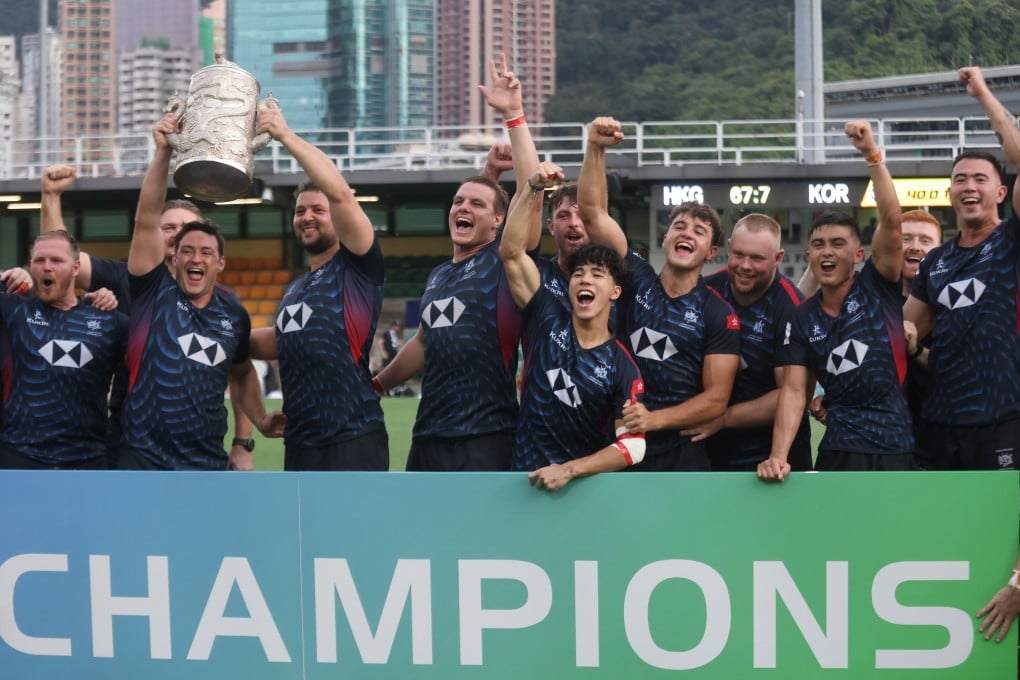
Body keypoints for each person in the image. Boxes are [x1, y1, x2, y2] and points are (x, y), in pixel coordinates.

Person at [374, 54, 541, 470]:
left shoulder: (506, 260)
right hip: (429, 435)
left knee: (482, 538)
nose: (461, 208)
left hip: (487, 436)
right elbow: (425, 342)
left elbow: (532, 194)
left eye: (476, 205)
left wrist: (514, 117)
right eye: (457, 201)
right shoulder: (438, 275)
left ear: (500, 221)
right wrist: (377, 383)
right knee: (422, 537)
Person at [37, 164, 261, 469]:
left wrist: (242, 442)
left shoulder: (227, 307)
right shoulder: (128, 277)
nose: (178, 233)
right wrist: (50, 197)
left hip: (201, 453)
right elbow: (61, 258)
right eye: (168, 227)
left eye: (187, 227)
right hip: (133, 444)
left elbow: (241, 371)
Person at [118, 112, 284, 470]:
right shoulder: (151, 293)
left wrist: (259, 420)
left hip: (206, 461)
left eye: (206, 252)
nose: (197, 258)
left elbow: (240, 373)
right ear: (173, 258)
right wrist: (163, 153)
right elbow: (146, 218)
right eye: (187, 251)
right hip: (142, 458)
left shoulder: (233, 315)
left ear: (220, 263)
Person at [578, 116, 740, 471]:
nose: (687, 233)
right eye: (679, 226)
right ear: (665, 238)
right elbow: (592, 214)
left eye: (699, 231)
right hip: (616, 439)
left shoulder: (717, 312)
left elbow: (716, 400)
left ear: (711, 252)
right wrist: (595, 147)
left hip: (681, 451)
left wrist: (654, 420)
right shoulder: (635, 275)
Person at [758, 120, 913, 479]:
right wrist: (778, 456)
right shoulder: (801, 317)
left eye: (838, 244)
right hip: (839, 451)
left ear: (859, 255)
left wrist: (872, 156)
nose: (827, 252)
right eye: (818, 245)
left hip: (896, 447)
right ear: (809, 256)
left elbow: (891, 221)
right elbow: (795, 391)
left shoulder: (878, 286)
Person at [245, 106, 388, 471]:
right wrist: (225, 333)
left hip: (352, 436)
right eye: (299, 211)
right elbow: (282, 340)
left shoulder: (358, 266)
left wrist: (285, 135)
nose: (306, 216)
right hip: (300, 442)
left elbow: (339, 192)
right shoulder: (295, 289)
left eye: (317, 210)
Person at [903, 66, 1020, 472]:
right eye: (959, 179)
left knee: (1001, 530)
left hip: (1002, 417)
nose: (969, 186)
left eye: (980, 179)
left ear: (1001, 192)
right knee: (939, 529)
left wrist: (983, 95)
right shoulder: (936, 261)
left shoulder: (1011, 240)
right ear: (949, 191)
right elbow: (901, 333)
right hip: (939, 421)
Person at [501, 161, 645, 490]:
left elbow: (634, 447)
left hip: (587, 492)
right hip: (524, 482)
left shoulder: (622, 366)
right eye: (579, 274)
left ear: (615, 292)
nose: (585, 279)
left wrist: (569, 470)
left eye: (597, 275)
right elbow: (510, 252)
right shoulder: (545, 317)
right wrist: (532, 189)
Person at [0, 231, 127, 468]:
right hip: (19, 458)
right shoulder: (13, 310)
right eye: (39, 260)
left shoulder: (110, 321)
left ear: (76, 268)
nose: (47, 267)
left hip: (87, 461)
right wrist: (5, 277)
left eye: (57, 260)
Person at [697, 214, 812, 472]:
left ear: (778, 258)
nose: (745, 266)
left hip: (773, 452)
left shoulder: (792, 308)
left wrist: (724, 418)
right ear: (728, 248)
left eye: (757, 258)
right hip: (713, 445)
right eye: (738, 254)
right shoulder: (706, 291)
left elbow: (792, 394)